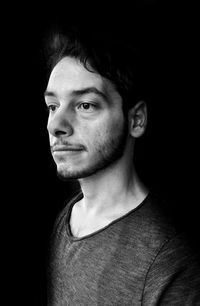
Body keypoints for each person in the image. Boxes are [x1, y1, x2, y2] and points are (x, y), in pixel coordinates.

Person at [44, 25, 200, 305]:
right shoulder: (65, 220)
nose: (56, 125)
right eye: (53, 106)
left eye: (86, 105)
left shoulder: (165, 259)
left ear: (136, 119)